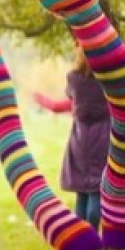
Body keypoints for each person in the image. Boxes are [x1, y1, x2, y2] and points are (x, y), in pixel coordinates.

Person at [35, 47, 110, 230]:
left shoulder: (73, 79)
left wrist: (39, 98)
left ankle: (82, 235)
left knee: (81, 193)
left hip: (80, 139)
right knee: (95, 189)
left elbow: (70, 100)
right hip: (103, 138)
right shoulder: (108, 79)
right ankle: (92, 232)